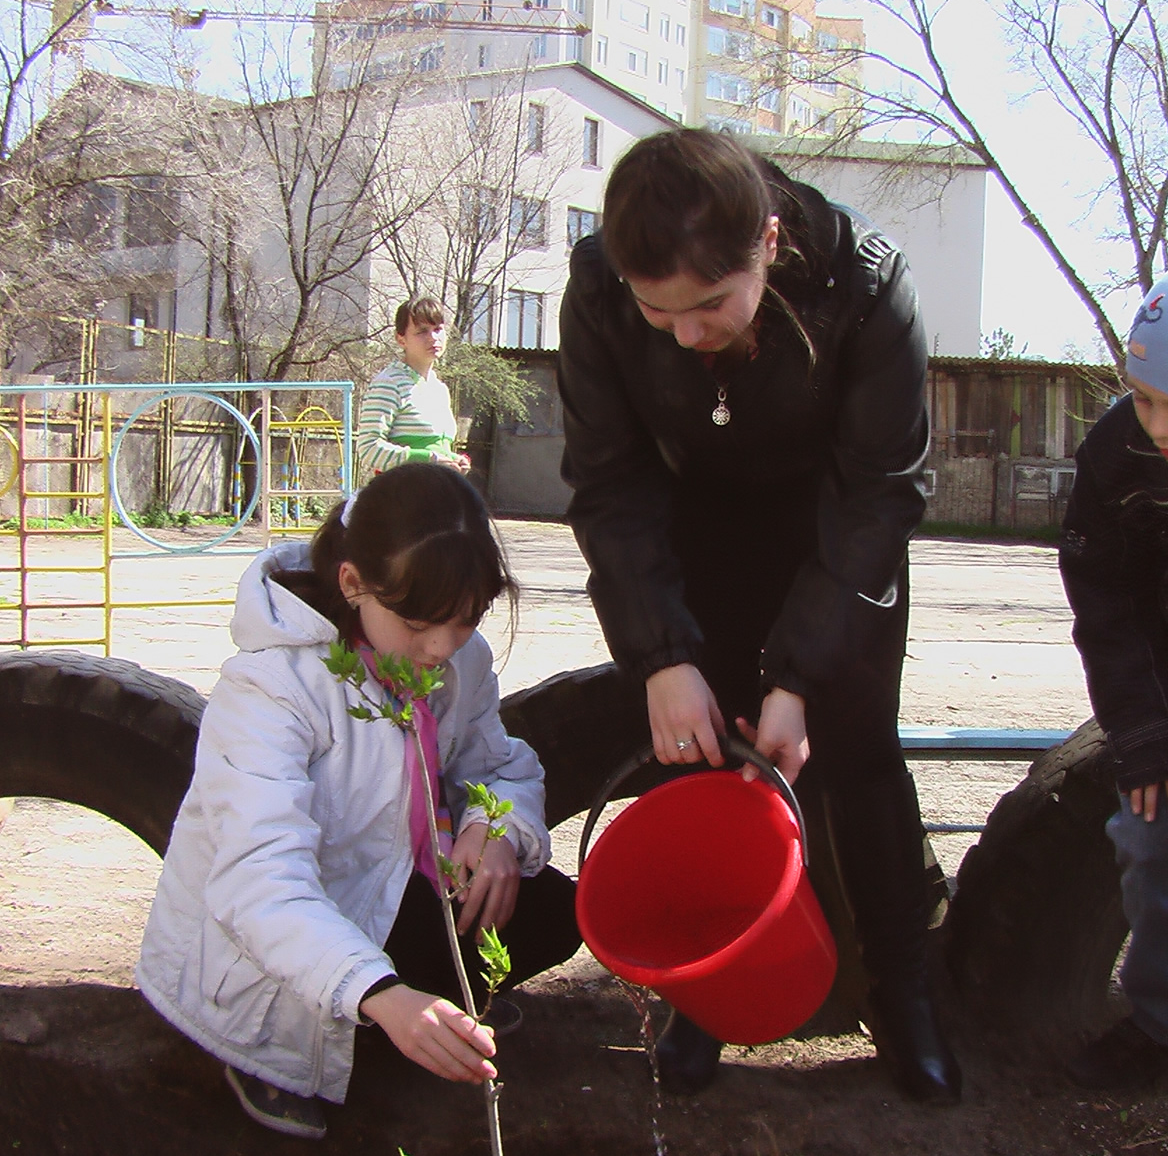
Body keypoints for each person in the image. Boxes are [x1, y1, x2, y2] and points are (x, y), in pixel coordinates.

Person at [558, 127, 960, 1104]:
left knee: (858, 755)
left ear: (769, 243)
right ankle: (706, 991)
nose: (684, 335)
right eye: (658, 312)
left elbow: (880, 493)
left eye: (710, 306)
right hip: (695, 529)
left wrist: (800, 676)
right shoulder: (599, 288)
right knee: (703, 754)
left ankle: (901, 991)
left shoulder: (866, 286)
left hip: (840, 536)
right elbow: (609, 484)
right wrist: (661, 655)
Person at [137, 463, 579, 1139]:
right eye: (418, 623)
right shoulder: (272, 687)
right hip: (270, 937)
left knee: (552, 910)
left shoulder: (458, 660)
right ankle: (268, 1051)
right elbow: (260, 885)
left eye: (465, 621)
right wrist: (382, 994)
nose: (440, 648)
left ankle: (410, 1008)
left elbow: (497, 766)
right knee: (336, 991)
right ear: (353, 584)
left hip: (383, 883)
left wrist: (495, 829)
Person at [1059, 274, 1168, 1090]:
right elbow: (1104, 607)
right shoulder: (1114, 453)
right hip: (1155, 683)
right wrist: (1142, 735)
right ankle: (1158, 1024)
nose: (1156, 429)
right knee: (1148, 838)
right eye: (1145, 399)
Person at [356, 296, 469, 478]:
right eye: (422, 331)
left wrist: (454, 460)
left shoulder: (439, 389)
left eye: (438, 329)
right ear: (401, 339)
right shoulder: (389, 382)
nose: (433, 338)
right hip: (402, 491)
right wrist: (427, 460)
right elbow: (369, 449)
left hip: (436, 489)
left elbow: (436, 450)